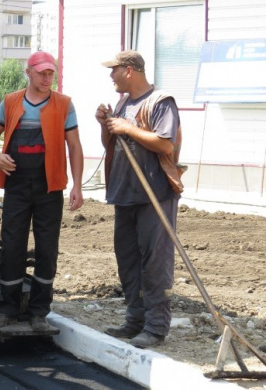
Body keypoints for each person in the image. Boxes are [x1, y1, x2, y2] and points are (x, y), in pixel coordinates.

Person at [0, 51, 84, 332]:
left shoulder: (64, 105)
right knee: (12, 245)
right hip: (17, 184)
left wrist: (77, 184)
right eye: (42, 73)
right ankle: (8, 308)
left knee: (47, 248)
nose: (47, 78)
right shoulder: (11, 102)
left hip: (49, 185)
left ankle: (39, 311)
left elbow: (74, 146)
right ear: (28, 72)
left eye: (51, 73)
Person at [95, 50, 183, 348]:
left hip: (154, 195)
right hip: (125, 193)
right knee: (128, 261)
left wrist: (127, 127)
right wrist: (106, 124)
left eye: (114, 70)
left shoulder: (160, 102)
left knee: (154, 263)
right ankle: (135, 321)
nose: (111, 76)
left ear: (129, 70)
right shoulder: (122, 104)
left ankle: (156, 328)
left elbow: (165, 143)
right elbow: (113, 143)